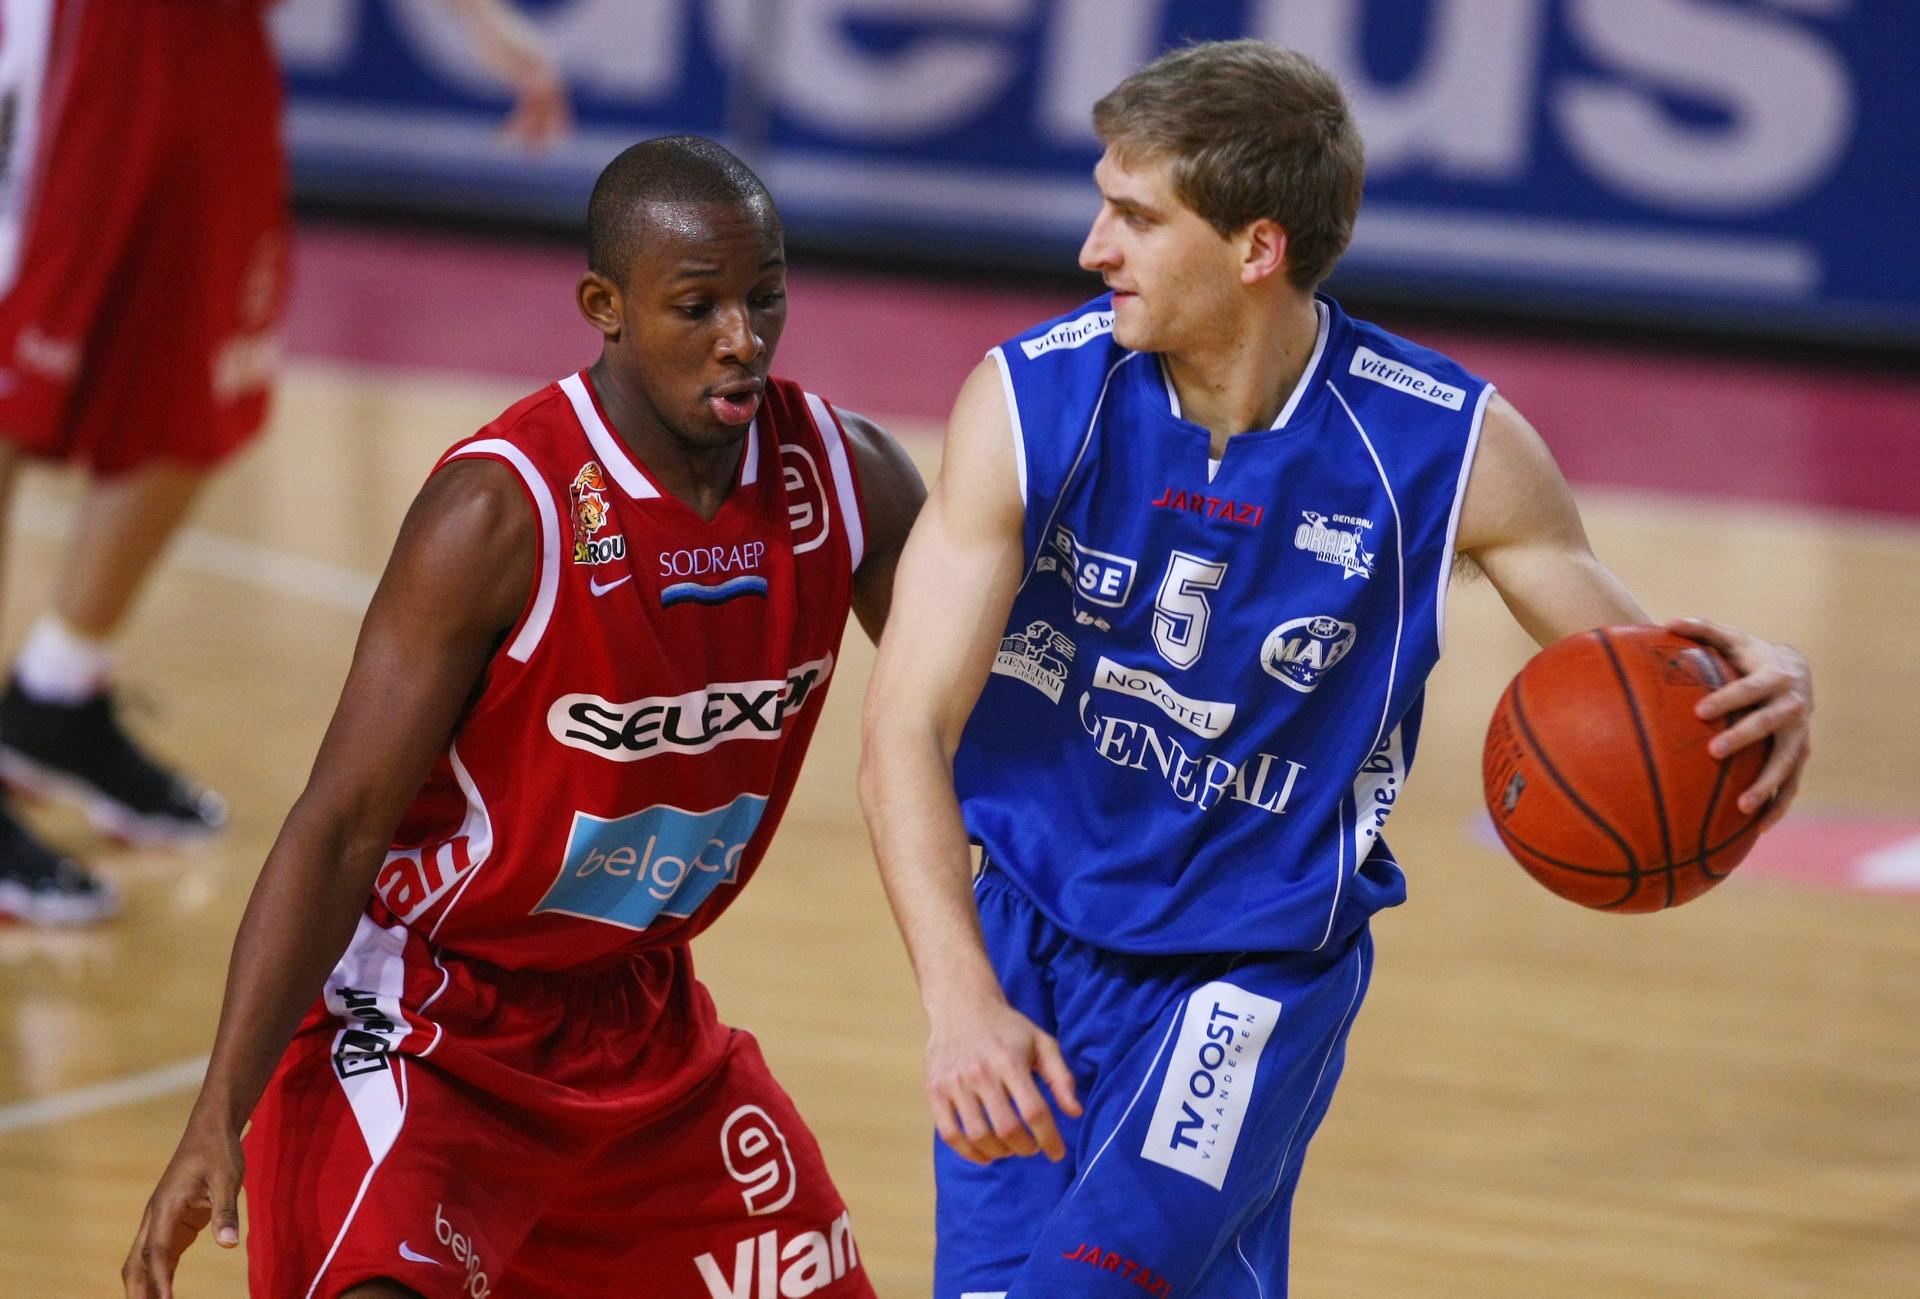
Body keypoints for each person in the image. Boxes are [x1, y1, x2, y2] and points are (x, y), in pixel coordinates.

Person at [858, 40, 1813, 1299]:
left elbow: (1631, 683)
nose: (1095, 247)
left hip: (1251, 977)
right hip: (1027, 945)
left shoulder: (1446, 444)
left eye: (1137, 217)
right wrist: (960, 1004)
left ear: (1257, 248)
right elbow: (902, 733)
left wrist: (1753, 681)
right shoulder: (1030, 403)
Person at [123, 134, 923, 1299]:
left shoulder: (846, 477)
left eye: (766, 297)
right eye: (697, 307)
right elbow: (341, 822)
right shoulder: (499, 509)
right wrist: (216, 1111)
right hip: (435, 1024)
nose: (742, 339)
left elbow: (982, 728)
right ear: (605, 306)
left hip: (645, 1029)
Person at [0, 0, 570, 924]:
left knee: (205, 378)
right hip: (76, 29)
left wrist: (478, 17)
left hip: (214, 38)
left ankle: (56, 694)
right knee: (10, 382)